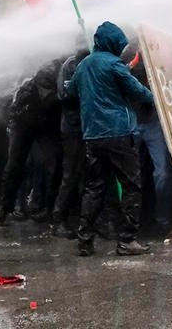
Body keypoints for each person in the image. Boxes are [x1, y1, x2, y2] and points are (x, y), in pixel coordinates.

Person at [66, 22, 154, 257]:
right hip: (119, 134)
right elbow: (139, 92)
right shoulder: (115, 65)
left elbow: (70, 91)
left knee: (94, 188)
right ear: (112, 43)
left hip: (92, 136)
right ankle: (127, 240)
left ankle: (85, 241)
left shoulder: (84, 65)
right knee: (132, 186)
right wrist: (156, 97)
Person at [0, 57, 65, 226]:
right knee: (15, 165)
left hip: (44, 123)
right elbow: (49, 100)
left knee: (54, 165)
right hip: (25, 122)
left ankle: (48, 209)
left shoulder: (60, 68)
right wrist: (68, 94)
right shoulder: (48, 71)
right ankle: (4, 209)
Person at [130, 51, 172, 235]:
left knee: (161, 173)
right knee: (132, 174)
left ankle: (162, 220)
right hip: (133, 121)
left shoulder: (161, 59)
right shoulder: (127, 60)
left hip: (153, 123)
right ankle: (134, 219)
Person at [51, 43, 91, 237]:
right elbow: (65, 94)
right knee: (70, 176)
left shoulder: (92, 63)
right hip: (73, 129)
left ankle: (86, 221)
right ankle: (58, 221)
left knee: (90, 177)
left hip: (90, 128)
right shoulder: (69, 66)